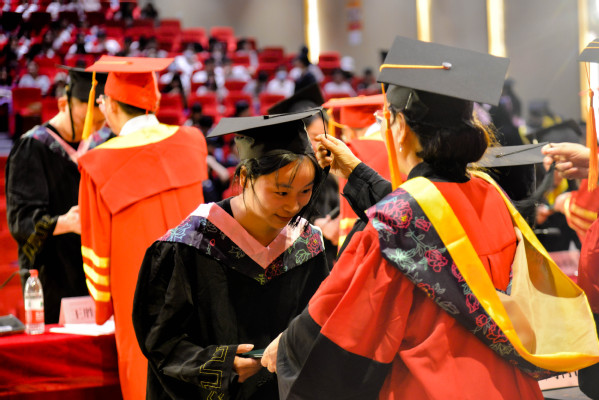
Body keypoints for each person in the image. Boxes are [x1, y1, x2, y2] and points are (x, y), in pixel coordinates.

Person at [260, 36, 599, 399]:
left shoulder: (396, 220)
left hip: (431, 387)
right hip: (510, 387)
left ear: (400, 127)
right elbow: (424, 224)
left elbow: (348, 318)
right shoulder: (489, 193)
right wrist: (358, 173)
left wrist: (290, 347)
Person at [132, 110, 331, 399]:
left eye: (305, 191)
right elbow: (160, 339)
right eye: (281, 192)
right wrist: (220, 365)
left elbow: (322, 320)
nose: (293, 206)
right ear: (246, 177)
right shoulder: (189, 244)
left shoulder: (306, 244)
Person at [78, 56, 209, 400]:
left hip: (140, 299)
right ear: (154, 99)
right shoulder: (192, 141)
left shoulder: (97, 164)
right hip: (198, 287)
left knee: (145, 379)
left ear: (110, 106)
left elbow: (96, 248)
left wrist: (103, 307)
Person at [6, 68, 111, 324]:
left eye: (100, 122)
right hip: (51, 275)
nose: (93, 129)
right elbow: (21, 222)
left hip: (95, 272)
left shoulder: (100, 145)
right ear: (64, 104)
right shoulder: (32, 148)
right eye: (87, 120)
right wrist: (66, 222)